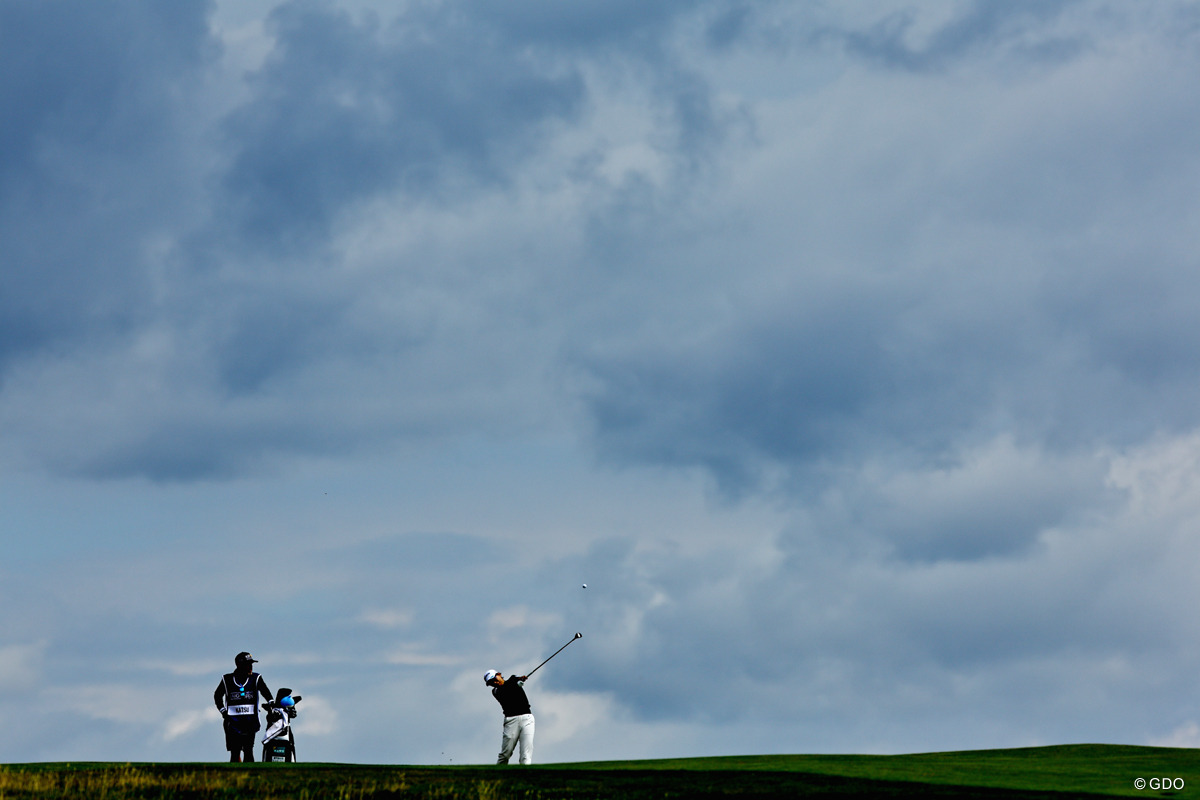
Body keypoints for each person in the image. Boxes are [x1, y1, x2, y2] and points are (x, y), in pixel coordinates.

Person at [214, 651, 273, 762]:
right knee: (235, 752)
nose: (251, 667)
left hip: (250, 721)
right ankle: (236, 777)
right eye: (248, 664)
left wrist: (271, 702)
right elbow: (217, 695)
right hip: (233, 722)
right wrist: (223, 711)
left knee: (248, 750)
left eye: (251, 664)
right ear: (239, 665)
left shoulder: (256, 678)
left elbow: (265, 691)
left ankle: (250, 777)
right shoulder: (227, 679)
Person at [484, 669, 535, 765]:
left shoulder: (513, 680)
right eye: (491, 683)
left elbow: (514, 679)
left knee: (526, 755)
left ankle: (525, 778)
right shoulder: (496, 691)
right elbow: (508, 687)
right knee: (505, 754)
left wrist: (520, 679)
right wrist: (518, 683)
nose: (494, 683)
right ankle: (496, 776)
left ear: (499, 675)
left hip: (527, 719)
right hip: (511, 721)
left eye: (494, 679)